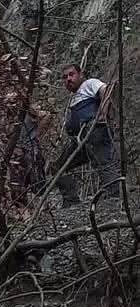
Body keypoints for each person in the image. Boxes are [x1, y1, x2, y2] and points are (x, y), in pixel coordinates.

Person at [53, 64, 119, 207]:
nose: (68, 79)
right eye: (65, 77)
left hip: (94, 132)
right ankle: (71, 201)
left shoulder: (89, 84)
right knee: (58, 166)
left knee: (103, 163)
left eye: (71, 74)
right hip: (80, 140)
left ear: (80, 75)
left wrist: (102, 114)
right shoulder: (73, 98)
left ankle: (114, 199)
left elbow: (106, 90)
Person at [10, 105, 51, 205]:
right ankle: (21, 209)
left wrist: (36, 134)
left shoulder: (27, 109)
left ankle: (40, 208)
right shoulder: (5, 113)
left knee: (37, 182)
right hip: (15, 152)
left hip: (31, 150)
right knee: (16, 184)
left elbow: (46, 115)